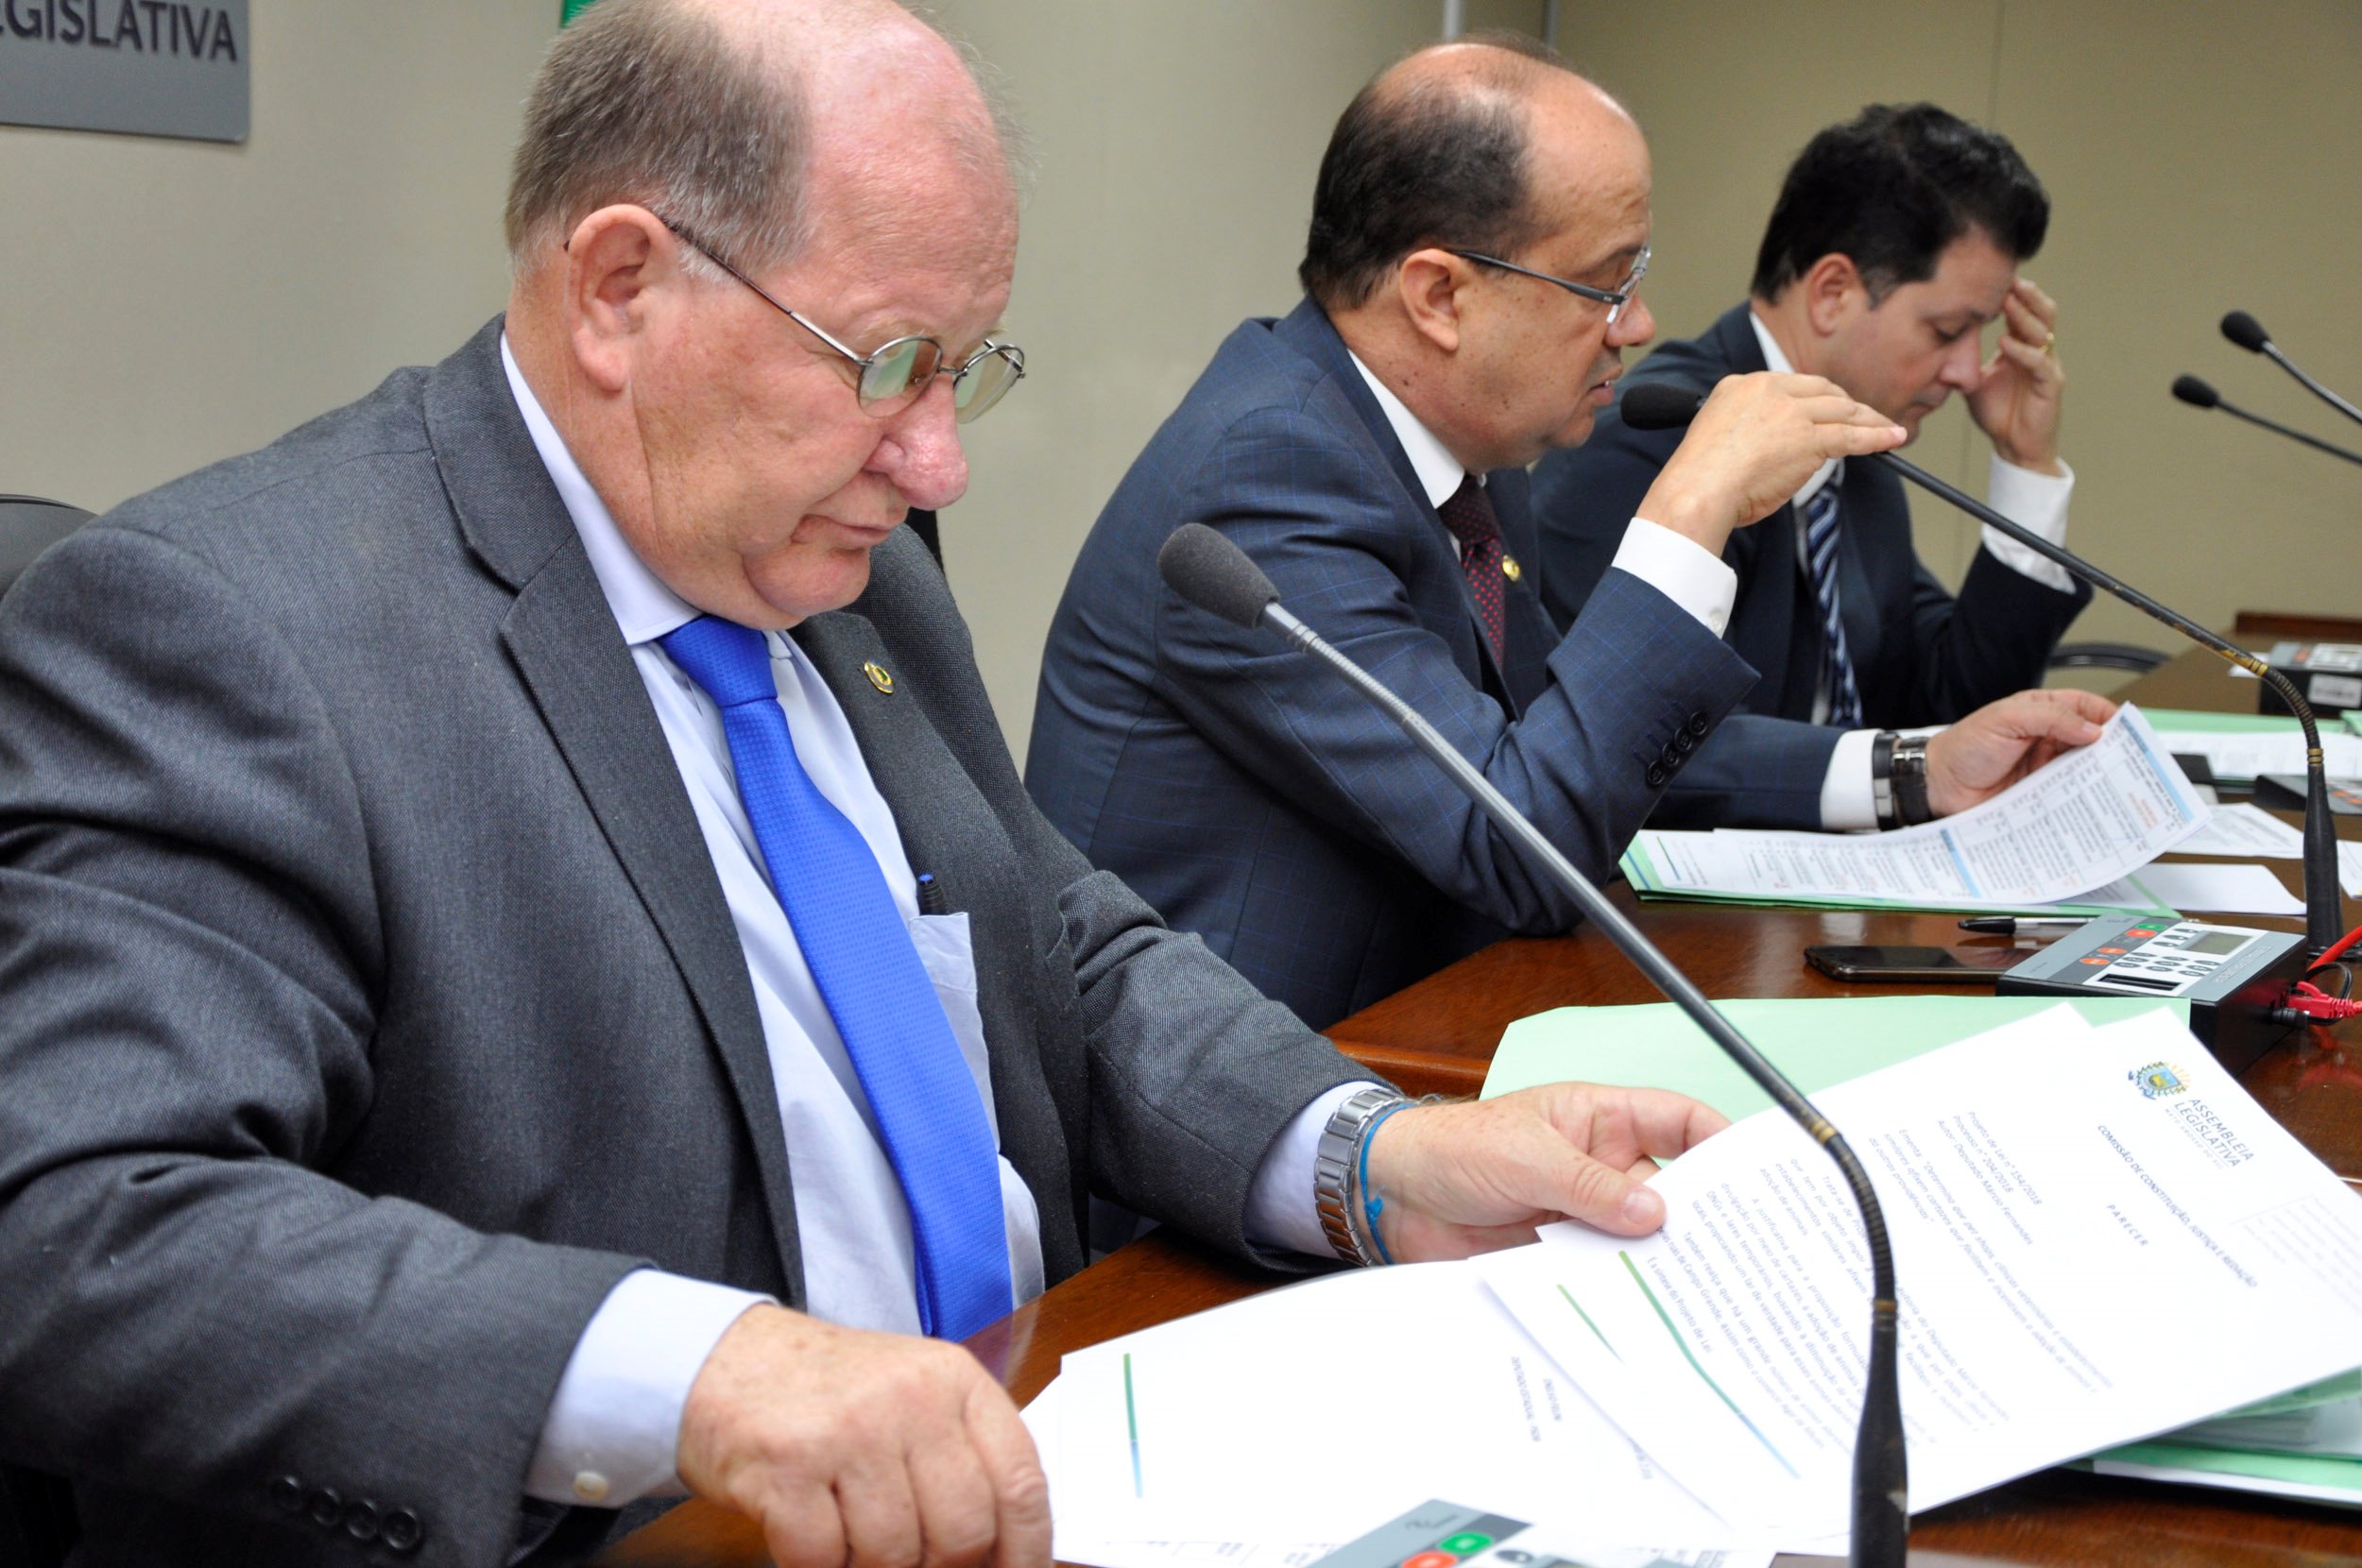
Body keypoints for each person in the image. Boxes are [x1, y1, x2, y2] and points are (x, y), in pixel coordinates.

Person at [0, 6, 1741, 1566]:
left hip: (1062, 1443)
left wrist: (1371, 1154)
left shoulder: (849, 565)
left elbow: (1053, 938)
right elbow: (79, 1225)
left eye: (964, 367)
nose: (941, 463)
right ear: (620, 290)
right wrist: (697, 1371)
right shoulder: (230, 630)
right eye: (889, 365)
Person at [1025, 43, 2109, 1031]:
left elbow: (1572, 742)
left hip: (1424, 1026)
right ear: (1439, 295)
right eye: (1604, 284)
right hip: (1248, 1108)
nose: (1638, 325)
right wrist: (1689, 512)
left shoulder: (1467, 456)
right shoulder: (1269, 474)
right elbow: (1520, 843)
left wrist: (1913, 770)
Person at [1532, 103, 2096, 830]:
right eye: (1948, 330)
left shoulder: (1856, 446)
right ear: (1832, 293)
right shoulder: (1654, 443)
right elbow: (1625, 742)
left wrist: (2025, 461)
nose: (1966, 371)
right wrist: (1901, 775)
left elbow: (1953, 714)